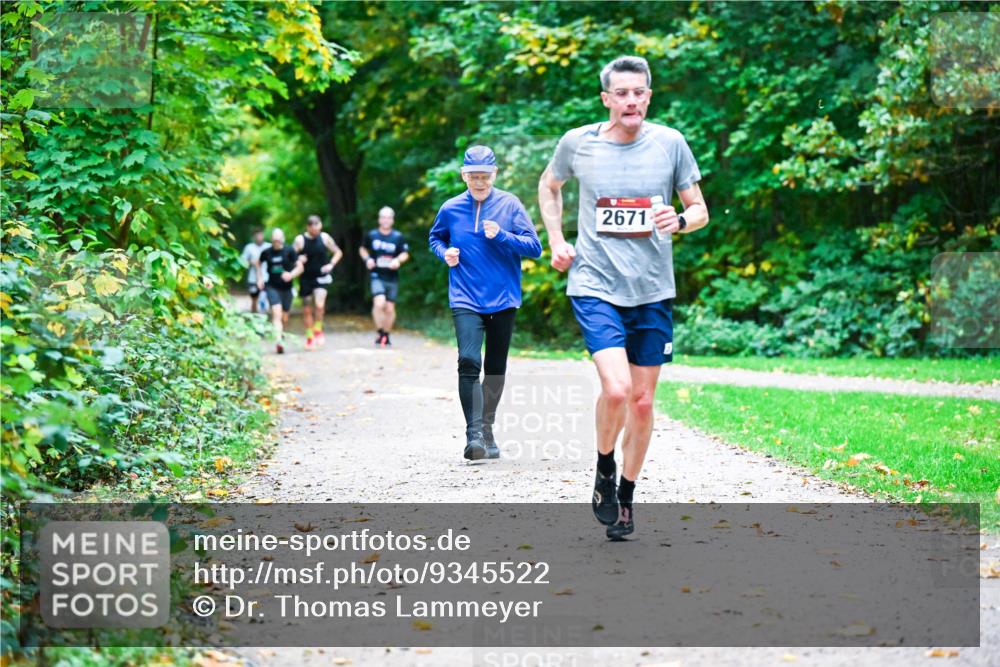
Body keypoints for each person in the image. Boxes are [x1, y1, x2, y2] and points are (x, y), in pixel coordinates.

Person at [538, 56, 709, 540]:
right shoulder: (578, 143)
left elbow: (699, 210)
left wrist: (680, 219)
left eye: (639, 92)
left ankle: (627, 494)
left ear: (648, 97)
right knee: (616, 390)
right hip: (594, 284)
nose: (631, 100)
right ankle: (604, 466)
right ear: (607, 99)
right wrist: (556, 240)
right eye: (622, 93)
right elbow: (549, 187)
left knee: (641, 401)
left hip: (652, 290)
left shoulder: (670, 143)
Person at [429, 145, 542, 461]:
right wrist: (445, 253)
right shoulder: (451, 208)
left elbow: (535, 247)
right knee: (468, 360)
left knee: (494, 367)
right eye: (473, 176)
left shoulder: (510, 205)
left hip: (503, 298)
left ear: (495, 175)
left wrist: (503, 235)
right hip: (465, 295)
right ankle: (473, 435)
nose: (479, 183)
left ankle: (488, 428)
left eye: (485, 177)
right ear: (464, 175)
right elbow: (436, 238)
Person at [360, 206, 410, 347]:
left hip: (392, 276)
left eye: (389, 217)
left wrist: (397, 260)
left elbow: (405, 253)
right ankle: (380, 331)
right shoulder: (372, 235)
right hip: (377, 274)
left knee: (389, 308)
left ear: (392, 220)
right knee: (379, 303)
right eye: (383, 217)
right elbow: (362, 249)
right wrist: (367, 259)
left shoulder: (398, 237)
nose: (386, 220)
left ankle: (385, 335)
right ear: (379, 219)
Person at [293, 215, 343, 350]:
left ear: (320, 225)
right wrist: (298, 259)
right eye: (312, 227)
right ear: (308, 227)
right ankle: (309, 336)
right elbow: (290, 256)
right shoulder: (300, 240)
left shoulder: (325, 238)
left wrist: (331, 264)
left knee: (320, 305)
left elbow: (338, 252)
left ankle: (318, 328)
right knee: (307, 308)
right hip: (306, 278)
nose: (315, 230)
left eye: (318, 227)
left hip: (322, 276)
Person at [255, 229, 304, 354]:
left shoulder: (289, 251)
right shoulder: (266, 252)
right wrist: (260, 278)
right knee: (276, 313)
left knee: (285, 317)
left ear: (282, 239)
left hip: (286, 288)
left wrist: (291, 275)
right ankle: (278, 341)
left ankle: (281, 335)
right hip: (272, 286)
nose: (276, 242)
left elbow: (300, 267)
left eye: (278, 239)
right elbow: (258, 264)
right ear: (271, 239)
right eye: (274, 240)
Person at [240, 230, 268, 314]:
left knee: (264, 298)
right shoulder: (249, 247)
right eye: (257, 235)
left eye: (260, 234)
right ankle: (254, 315)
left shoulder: (268, 246)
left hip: (266, 277)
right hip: (253, 278)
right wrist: (251, 262)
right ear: (254, 237)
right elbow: (242, 260)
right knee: (254, 299)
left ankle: (264, 315)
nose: (259, 237)